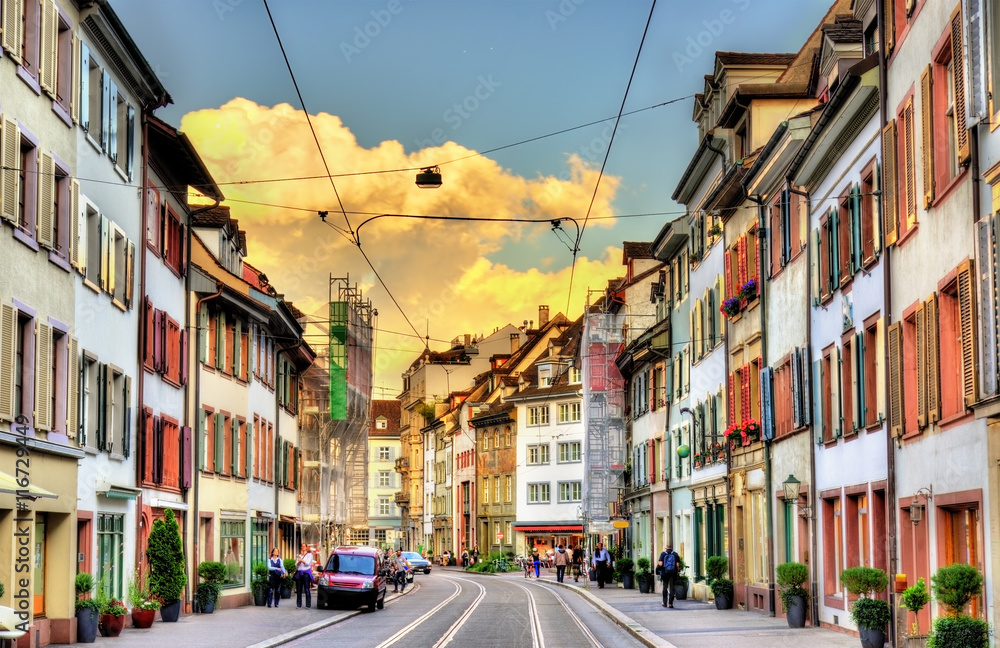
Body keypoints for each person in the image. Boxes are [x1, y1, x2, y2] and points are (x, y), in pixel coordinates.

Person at [657, 543, 681, 608]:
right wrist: (677, 571)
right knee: (672, 588)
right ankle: (670, 603)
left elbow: (661, 563)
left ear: (666, 547)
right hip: (673, 573)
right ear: (671, 547)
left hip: (665, 573)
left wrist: (658, 568)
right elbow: (677, 565)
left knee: (665, 587)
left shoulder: (663, 554)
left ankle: (664, 603)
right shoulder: (675, 554)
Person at [294, 543, 314, 608]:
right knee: (298, 589)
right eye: (302, 546)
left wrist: (301, 560)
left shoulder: (309, 555)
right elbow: (296, 565)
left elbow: (307, 563)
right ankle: (298, 604)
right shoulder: (299, 556)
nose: (303, 547)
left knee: (306, 589)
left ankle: (308, 605)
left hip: (306, 573)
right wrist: (299, 561)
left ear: (306, 547)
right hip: (299, 573)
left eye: (304, 546)